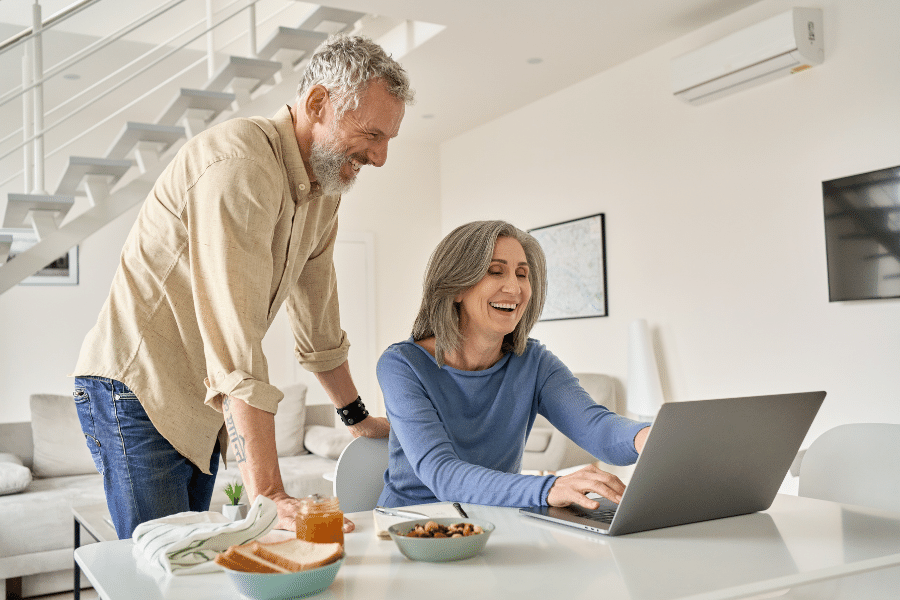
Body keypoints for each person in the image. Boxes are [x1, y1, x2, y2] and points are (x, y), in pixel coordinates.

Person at [71, 34, 414, 538]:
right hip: (139, 388)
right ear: (318, 103)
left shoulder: (322, 194)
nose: (380, 158)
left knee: (191, 564)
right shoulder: (239, 166)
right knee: (160, 570)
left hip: (202, 399)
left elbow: (319, 324)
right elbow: (235, 341)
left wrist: (357, 419)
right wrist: (269, 491)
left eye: (389, 140)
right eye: (371, 134)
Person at [377, 220, 651, 509]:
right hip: (409, 528)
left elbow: (597, 429)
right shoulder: (402, 365)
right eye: (496, 271)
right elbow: (443, 474)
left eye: (523, 274)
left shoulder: (534, 362)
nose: (515, 287)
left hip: (496, 524)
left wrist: (646, 437)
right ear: (456, 288)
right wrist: (548, 487)